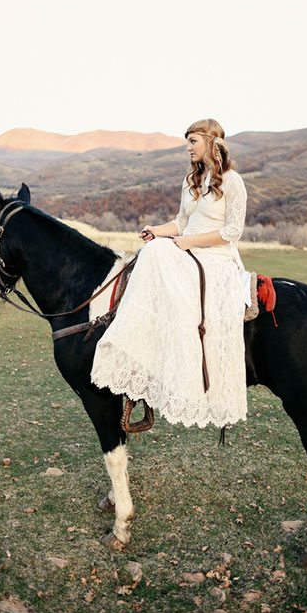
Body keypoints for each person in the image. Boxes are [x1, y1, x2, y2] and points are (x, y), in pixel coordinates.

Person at [91, 118, 249, 428]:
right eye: (187, 141)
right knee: (153, 249)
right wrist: (156, 230)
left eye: (193, 141)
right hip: (187, 249)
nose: (188, 147)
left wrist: (189, 241)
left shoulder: (233, 182)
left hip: (217, 257)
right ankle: (141, 355)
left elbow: (232, 232)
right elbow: (180, 223)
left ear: (211, 142)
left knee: (160, 255)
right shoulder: (191, 182)